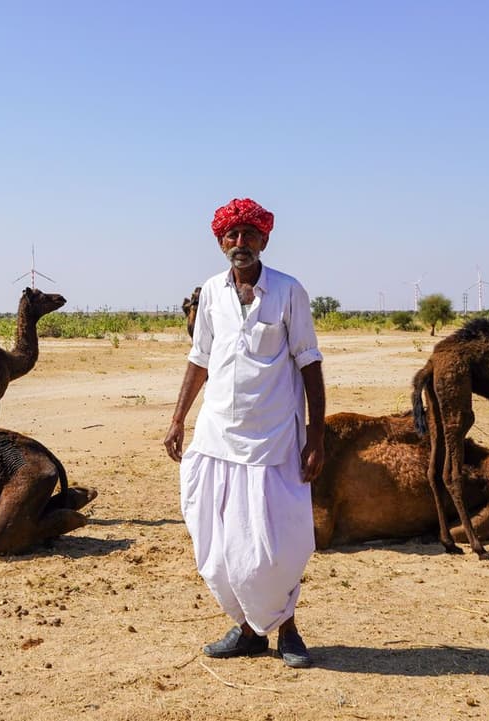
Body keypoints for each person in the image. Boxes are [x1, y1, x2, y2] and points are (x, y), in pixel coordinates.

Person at [164, 197, 325, 669]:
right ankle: (250, 630)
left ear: (265, 240)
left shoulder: (290, 291)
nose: (240, 243)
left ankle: (288, 629)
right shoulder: (212, 292)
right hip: (218, 436)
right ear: (220, 242)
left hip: (275, 437)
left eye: (249, 235)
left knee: (277, 545)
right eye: (231, 236)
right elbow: (200, 359)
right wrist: (178, 419)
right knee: (216, 543)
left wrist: (316, 435)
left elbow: (310, 363)